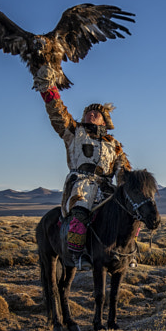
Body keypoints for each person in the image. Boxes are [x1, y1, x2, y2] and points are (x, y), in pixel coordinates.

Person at [39, 85, 132, 268]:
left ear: (104, 121)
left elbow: (123, 170)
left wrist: (129, 187)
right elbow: (57, 113)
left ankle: (127, 254)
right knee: (80, 210)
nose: (91, 114)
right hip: (81, 185)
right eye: (88, 112)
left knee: (127, 213)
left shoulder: (115, 145)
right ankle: (76, 254)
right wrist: (48, 88)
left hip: (106, 188)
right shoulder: (74, 133)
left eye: (96, 114)